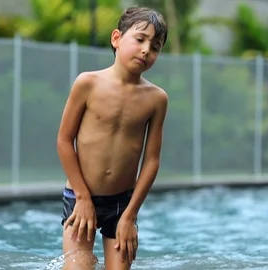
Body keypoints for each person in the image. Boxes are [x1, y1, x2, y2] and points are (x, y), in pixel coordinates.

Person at [56, 6, 168, 270]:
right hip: (80, 196)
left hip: (122, 204)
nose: (146, 50)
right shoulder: (88, 83)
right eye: (140, 39)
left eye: (155, 47)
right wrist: (82, 198)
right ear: (116, 38)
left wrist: (130, 216)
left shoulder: (156, 99)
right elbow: (64, 140)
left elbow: (151, 161)